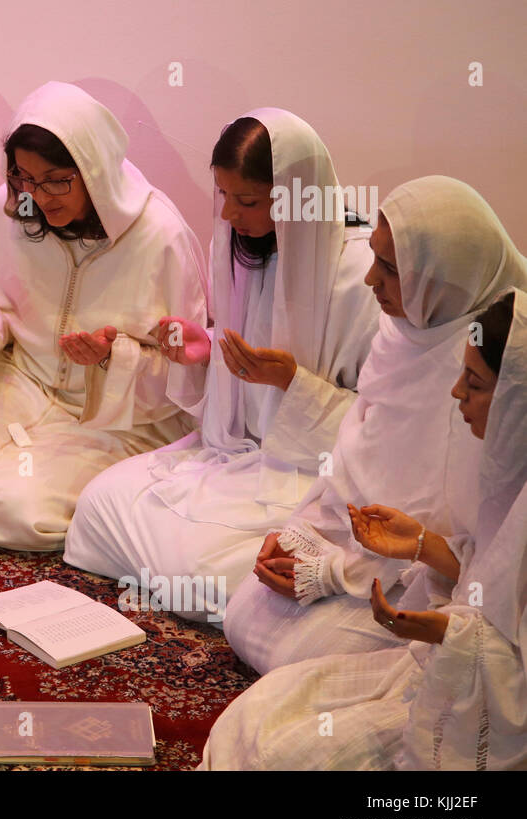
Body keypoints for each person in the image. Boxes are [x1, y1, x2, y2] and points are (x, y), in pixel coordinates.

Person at [63, 110, 378, 620]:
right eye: (223, 196)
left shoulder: (361, 273)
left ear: (296, 196)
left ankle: (208, 582)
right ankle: (189, 575)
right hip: (230, 457)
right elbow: (234, 379)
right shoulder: (238, 249)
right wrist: (203, 353)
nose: (229, 213)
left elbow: (379, 423)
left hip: (307, 471)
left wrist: (292, 383)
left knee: (197, 574)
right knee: (98, 503)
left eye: (246, 200)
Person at [201, 289, 527, 770]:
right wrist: (422, 545)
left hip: (478, 703)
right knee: (259, 712)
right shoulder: (507, 470)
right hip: (432, 658)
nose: (456, 392)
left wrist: (443, 631)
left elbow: (506, 639)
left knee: (291, 756)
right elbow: (490, 574)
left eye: (475, 383)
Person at [223, 176, 527, 673]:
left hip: (424, 576)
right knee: (241, 616)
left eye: (390, 267)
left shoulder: (491, 362)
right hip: (360, 544)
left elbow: (466, 534)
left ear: (442, 277)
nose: (370, 280)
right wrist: (304, 534)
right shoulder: (399, 330)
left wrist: (337, 573)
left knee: (297, 659)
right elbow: (355, 451)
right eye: (375, 260)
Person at [0, 82, 209, 551]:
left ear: (93, 170)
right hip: (20, 383)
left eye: (57, 180)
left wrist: (111, 358)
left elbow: (185, 379)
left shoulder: (159, 235)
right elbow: (0, 315)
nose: (39, 196)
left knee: (30, 514)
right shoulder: (13, 208)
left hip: (111, 418)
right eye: (24, 178)